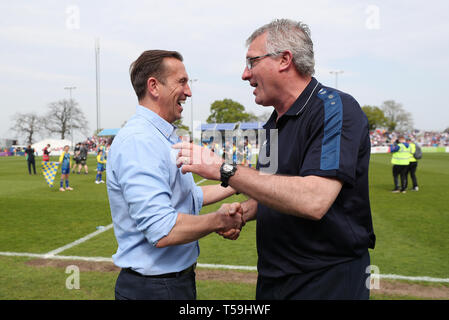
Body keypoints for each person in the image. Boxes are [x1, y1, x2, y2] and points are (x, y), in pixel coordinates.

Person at [174, 19, 375, 300]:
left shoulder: (335, 109)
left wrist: (223, 168)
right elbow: (268, 189)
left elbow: (313, 200)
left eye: (251, 62)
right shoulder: (273, 123)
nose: (245, 74)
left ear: (284, 60)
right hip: (274, 277)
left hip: (326, 280)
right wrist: (242, 213)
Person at [106, 49, 244, 300]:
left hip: (171, 283)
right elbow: (162, 229)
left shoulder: (161, 136)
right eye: (182, 82)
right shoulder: (140, 141)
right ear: (154, 86)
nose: (189, 91)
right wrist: (220, 220)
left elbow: (188, 195)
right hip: (154, 289)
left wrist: (239, 182)